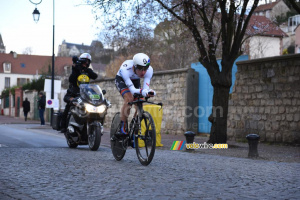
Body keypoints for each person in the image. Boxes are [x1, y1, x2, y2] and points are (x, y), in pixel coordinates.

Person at [115, 53, 156, 136]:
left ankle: (135, 125)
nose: (143, 72)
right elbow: (133, 91)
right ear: (134, 66)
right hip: (122, 80)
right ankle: (122, 126)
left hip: (135, 81)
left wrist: (148, 92)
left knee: (140, 102)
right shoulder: (125, 69)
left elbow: (145, 89)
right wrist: (143, 91)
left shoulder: (150, 70)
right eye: (140, 68)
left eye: (145, 68)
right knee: (129, 99)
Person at [60, 53, 98, 133]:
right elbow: (71, 79)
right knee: (67, 107)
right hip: (75, 91)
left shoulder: (88, 70)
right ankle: (63, 126)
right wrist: (76, 68)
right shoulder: (76, 69)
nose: (86, 63)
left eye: (88, 62)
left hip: (85, 92)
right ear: (81, 61)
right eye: (85, 61)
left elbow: (95, 76)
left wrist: (87, 70)